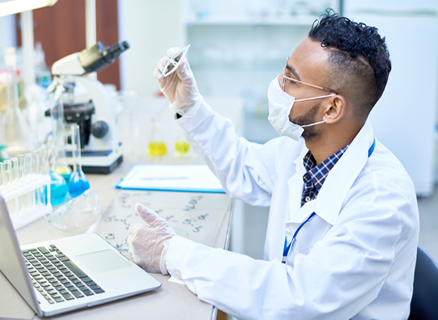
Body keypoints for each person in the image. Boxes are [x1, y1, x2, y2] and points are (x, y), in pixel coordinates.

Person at [127, 11, 419, 319]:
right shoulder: (301, 151)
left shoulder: (382, 202)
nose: (278, 86)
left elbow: (299, 299)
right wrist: (188, 105)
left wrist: (173, 253)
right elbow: (243, 167)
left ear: (332, 108)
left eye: (292, 80)